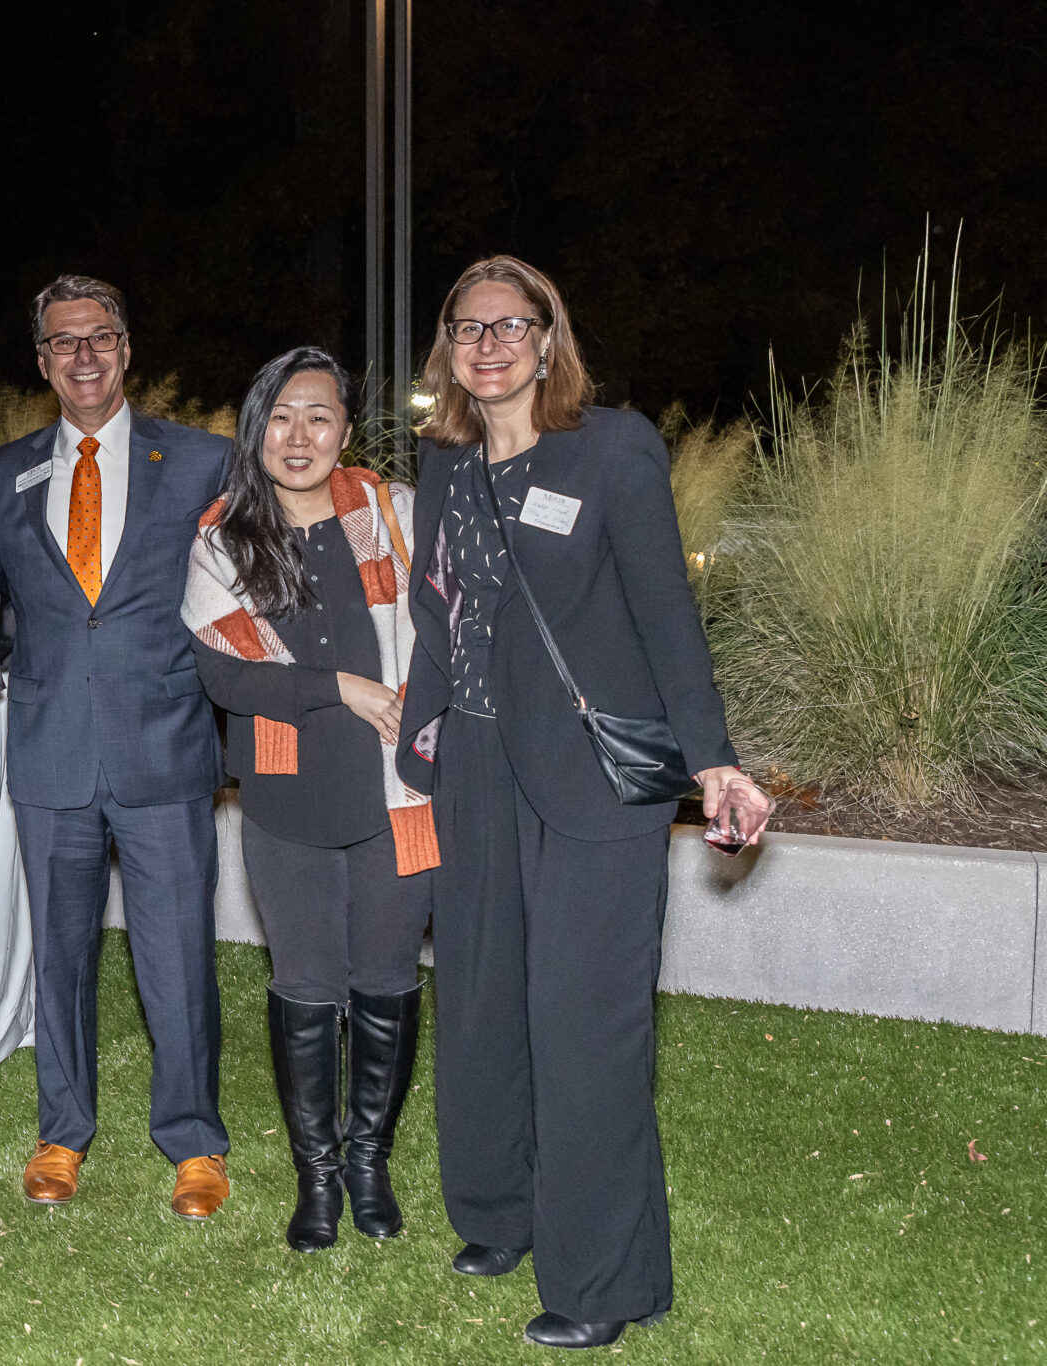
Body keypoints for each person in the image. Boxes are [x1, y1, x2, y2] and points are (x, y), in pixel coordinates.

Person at [396, 256, 773, 1349]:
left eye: (512, 325)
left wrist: (712, 762)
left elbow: (664, 614)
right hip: (470, 767)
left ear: (548, 339)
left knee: (582, 1028)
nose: (489, 344)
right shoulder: (445, 463)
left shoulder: (610, 447)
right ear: (447, 353)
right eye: (467, 329)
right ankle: (497, 1211)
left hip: (590, 783)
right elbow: (440, 620)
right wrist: (415, 758)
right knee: (477, 1006)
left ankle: (602, 1279)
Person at [0, 275, 233, 1219]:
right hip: (49, 755)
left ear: (126, 349)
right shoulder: (0, 478)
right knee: (62, 955)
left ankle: (194, 1141)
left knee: (179, 957)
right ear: (42, 361)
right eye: (64, 342)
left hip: (164, 751)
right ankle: (61, 1132)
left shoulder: (204, 461)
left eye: (101, 338)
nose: (83, 356)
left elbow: (244, 590)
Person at [181, 347, 436, 1252]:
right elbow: (222, 673)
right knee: (305, 988)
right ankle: (317, 1177)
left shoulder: (394, 515)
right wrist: (340, 687)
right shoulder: (223, 537)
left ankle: (369, 1162)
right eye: (281, 416)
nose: (300, 436)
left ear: (346, 430)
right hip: (288, 796)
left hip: (396, 792)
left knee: (387, 982)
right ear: (257, 427)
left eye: (319, 416)